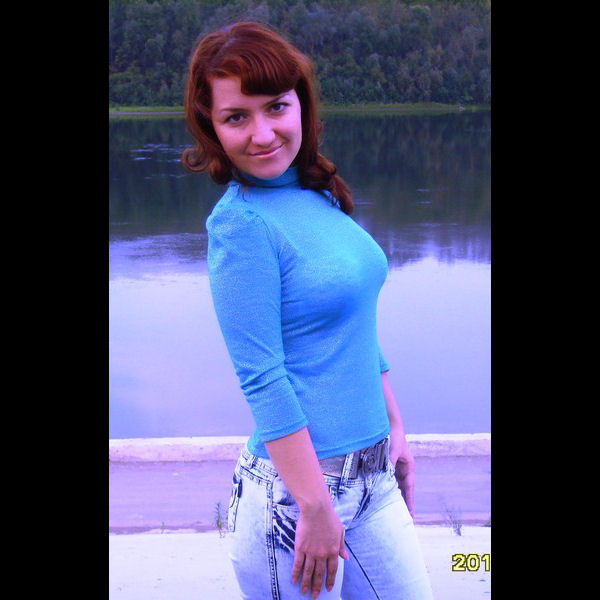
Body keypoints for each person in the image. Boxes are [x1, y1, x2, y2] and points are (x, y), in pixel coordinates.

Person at [182, 21, 434, 600]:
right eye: (236, 117)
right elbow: (262, 377)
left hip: (374, 480)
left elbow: (354, 324)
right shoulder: (241, 226)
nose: (263, 133)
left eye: (276, 107)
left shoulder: (315, 193)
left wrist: (395, 429)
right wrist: (315, 505)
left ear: (301, 104)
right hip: (293, 499)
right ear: (212, 127)